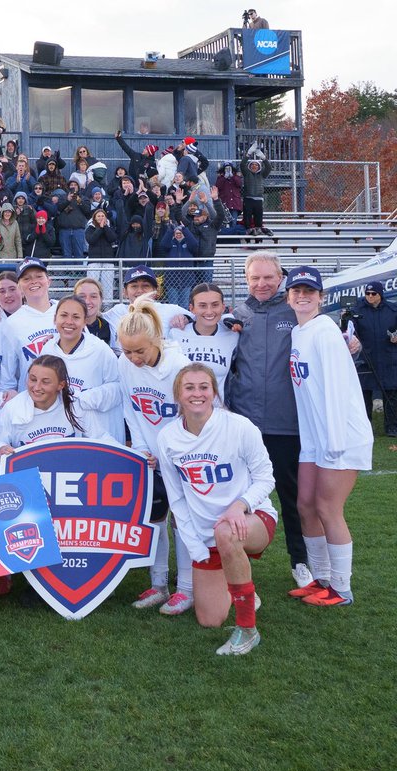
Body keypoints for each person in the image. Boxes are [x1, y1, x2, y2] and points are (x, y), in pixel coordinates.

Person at [156, 363, 276, 655]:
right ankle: (242, 586)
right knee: (209, 620)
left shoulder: (239, 427)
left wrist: (239, 505)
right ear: (178, 394)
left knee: (226, 532)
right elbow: (177, 500)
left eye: (204, 387)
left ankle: (247, 630)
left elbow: (266, 478)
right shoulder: (168, 438)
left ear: (214, 392)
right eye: (189, 388)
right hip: (206, 535)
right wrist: (196, 547)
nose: (197, 394)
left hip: (252, 518)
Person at [285, 267, 373, 606]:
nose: (302, 296)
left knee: (327, 507)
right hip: (316, 438)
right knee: (305, 506)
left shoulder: (324, 331)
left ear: (321, 297)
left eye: (309, 291)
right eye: (296, 290)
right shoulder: (299, 332)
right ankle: (321, 578)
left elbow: (338, 389)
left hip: (341, 435)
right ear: (288, 297)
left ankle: (342, 588)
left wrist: (334, 443)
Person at [225, 252, 311, 586]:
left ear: (280, 277)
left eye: (268, 277)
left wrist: (353, 344)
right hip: (244, 423)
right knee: (237, 495)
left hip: (284, 422)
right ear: (246, 280)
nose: (261, 284)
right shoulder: (237, 315)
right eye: (254, 278)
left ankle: (300, 561)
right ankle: (232, 562)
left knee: (292, 496)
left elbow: (327, 341)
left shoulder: (295, 312)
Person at [117, 297, 195, 615]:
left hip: (182, 454)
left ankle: (187, 589)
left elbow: (191, 416)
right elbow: (131, 409)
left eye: (140, 351)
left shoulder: (179, 365)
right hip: (149, 456)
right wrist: (141, 448)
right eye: (127, 351)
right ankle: (159, 584)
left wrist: (167, 453)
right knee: (154, 517)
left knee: (183, 520)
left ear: (156, 340)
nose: (134, 358)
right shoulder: (125, 364)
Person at [42, 297, 123, 441]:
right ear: (55, 319)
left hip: (99, 433)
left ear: (85, 321)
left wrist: (83, 398)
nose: (69, 321)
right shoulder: (48, 349)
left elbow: (118, 389)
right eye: (64, 315)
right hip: (64, 431)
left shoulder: (100, 349)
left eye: (76, 317)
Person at [0, 355, 87, 456]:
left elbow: (96, 439)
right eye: (33, 379)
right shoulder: (12, 407)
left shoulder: (77, 404)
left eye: (45, 382)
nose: (37, 387)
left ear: (61, 385)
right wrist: (0, 449)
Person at [169, 283, 239, 396]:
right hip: (183, 405)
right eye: (202, 306)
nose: (209, 311)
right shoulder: (176, 334)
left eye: (215, 305)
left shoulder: (232, 335)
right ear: (191, 308)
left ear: (223, 307)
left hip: (217, 405)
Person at [0, 258, 58, 393]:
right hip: (32, 396)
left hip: (68, 395)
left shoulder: (66, 310)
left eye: (39, 276)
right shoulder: (12, 323)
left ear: (48, 281)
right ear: (19, 287)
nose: (33, 281)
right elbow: (8, 374)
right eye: (26, 279)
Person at [351, 281, 397, 436]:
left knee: (391, 392)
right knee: (365, 394)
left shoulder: (392, 309)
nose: (370, 296)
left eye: (373, 294)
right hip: (366, 357)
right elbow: (349, 332)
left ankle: (392, 426)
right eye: (367, 293)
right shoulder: (356, 310)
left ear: (380, 294)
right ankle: (365, 426)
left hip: (388, 356)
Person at [73, 277, 113, 346]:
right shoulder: (67, 325)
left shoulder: (105, 326)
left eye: (93, 296)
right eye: (82, 297)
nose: (87, 301)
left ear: (101, 300)